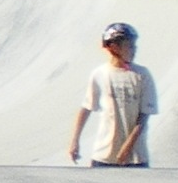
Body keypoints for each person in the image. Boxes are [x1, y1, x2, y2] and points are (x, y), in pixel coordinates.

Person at [67, 22, 158, 167]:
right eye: (130, 46)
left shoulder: (142, 75)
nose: (134, 50)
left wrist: (128, 146)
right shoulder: (100, 74)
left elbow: (144, 116)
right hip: (104, 155)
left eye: (135, 46)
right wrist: (74, 141)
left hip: (135, 157)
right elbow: (86, 108)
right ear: (114, 47)